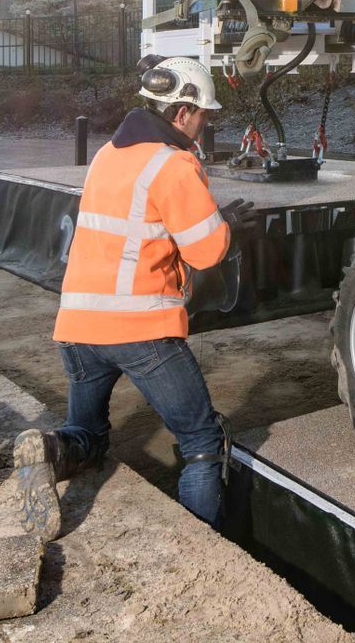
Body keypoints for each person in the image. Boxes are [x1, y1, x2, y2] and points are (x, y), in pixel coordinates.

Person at [13, 55, 248, 537]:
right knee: (202, 441)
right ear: (181, 113)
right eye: (203, 116)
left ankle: (53, 451)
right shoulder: (173, 163)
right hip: (141, 331)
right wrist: (230, 230)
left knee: (90, 436)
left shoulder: (108, 154)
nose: (204, 127)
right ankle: (206, 547)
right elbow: (205, 253)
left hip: (78, 326)